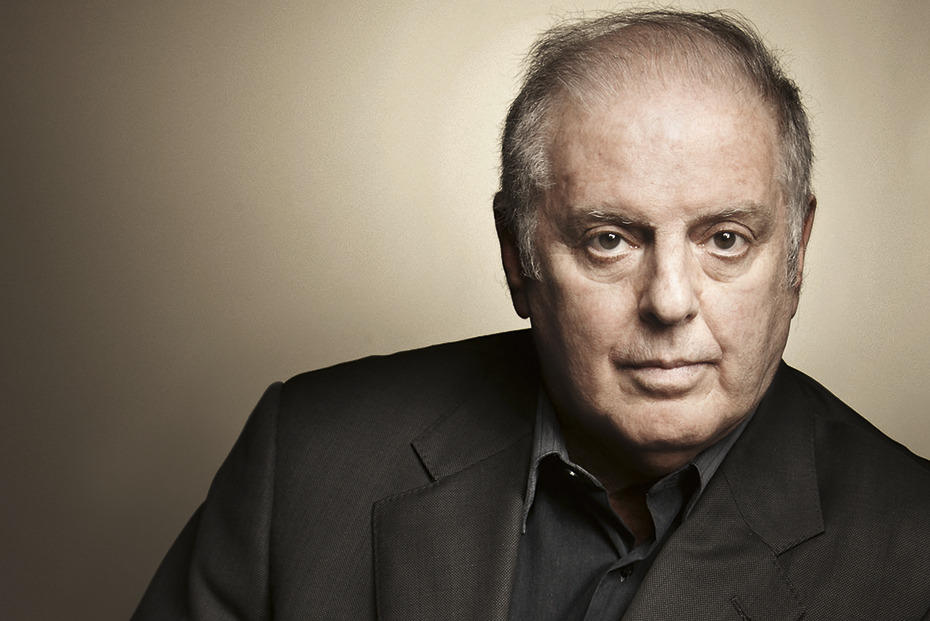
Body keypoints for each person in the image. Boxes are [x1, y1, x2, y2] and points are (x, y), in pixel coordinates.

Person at [133, 9, 930, 620]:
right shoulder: (306, 458)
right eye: (610, 239)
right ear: (518, 255)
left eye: (726, 239)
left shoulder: (913, 548)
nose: (670, 300)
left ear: (796, 251)